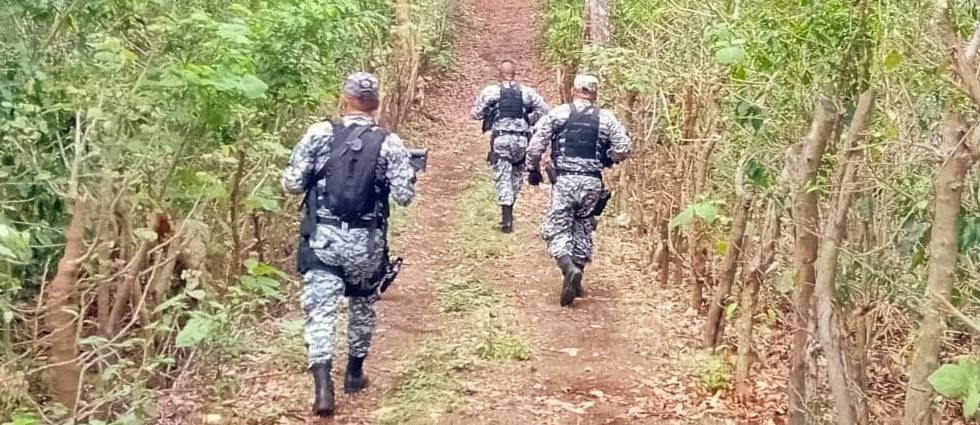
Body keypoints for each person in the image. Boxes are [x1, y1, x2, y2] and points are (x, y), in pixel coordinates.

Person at [281, 72, 416, 416]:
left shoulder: (320, 133)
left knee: (321, 312)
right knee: (362, 306)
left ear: (344, 100)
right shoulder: (389, 142)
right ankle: (354, 374)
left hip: (323, 240)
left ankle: (323, 389)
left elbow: (292, 183)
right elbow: (404, 196)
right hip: (366, 243)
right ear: (377, 105)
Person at [525, 74, 631, 307]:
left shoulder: (559, 113)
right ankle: (576, 279)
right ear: (595, 94)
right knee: (583, 227)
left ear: (573, 91)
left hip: (564, 181)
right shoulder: (606, 118)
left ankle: (568, 267)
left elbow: (536, 143)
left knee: (556, 228)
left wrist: (532, 169)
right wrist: (608, 157)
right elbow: (623, 147)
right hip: (592, 182)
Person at [471, 60, 550, 233]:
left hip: (502, 140)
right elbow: (546, 111)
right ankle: (509, 210)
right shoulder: (527, 93)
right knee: (516, 177)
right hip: (522, 141)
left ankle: (507, 218)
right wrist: (531, 121)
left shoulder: (491, 92)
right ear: (514, 74)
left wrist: (490, 109)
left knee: (503, 177)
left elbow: (475, 114)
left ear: (499, 74)